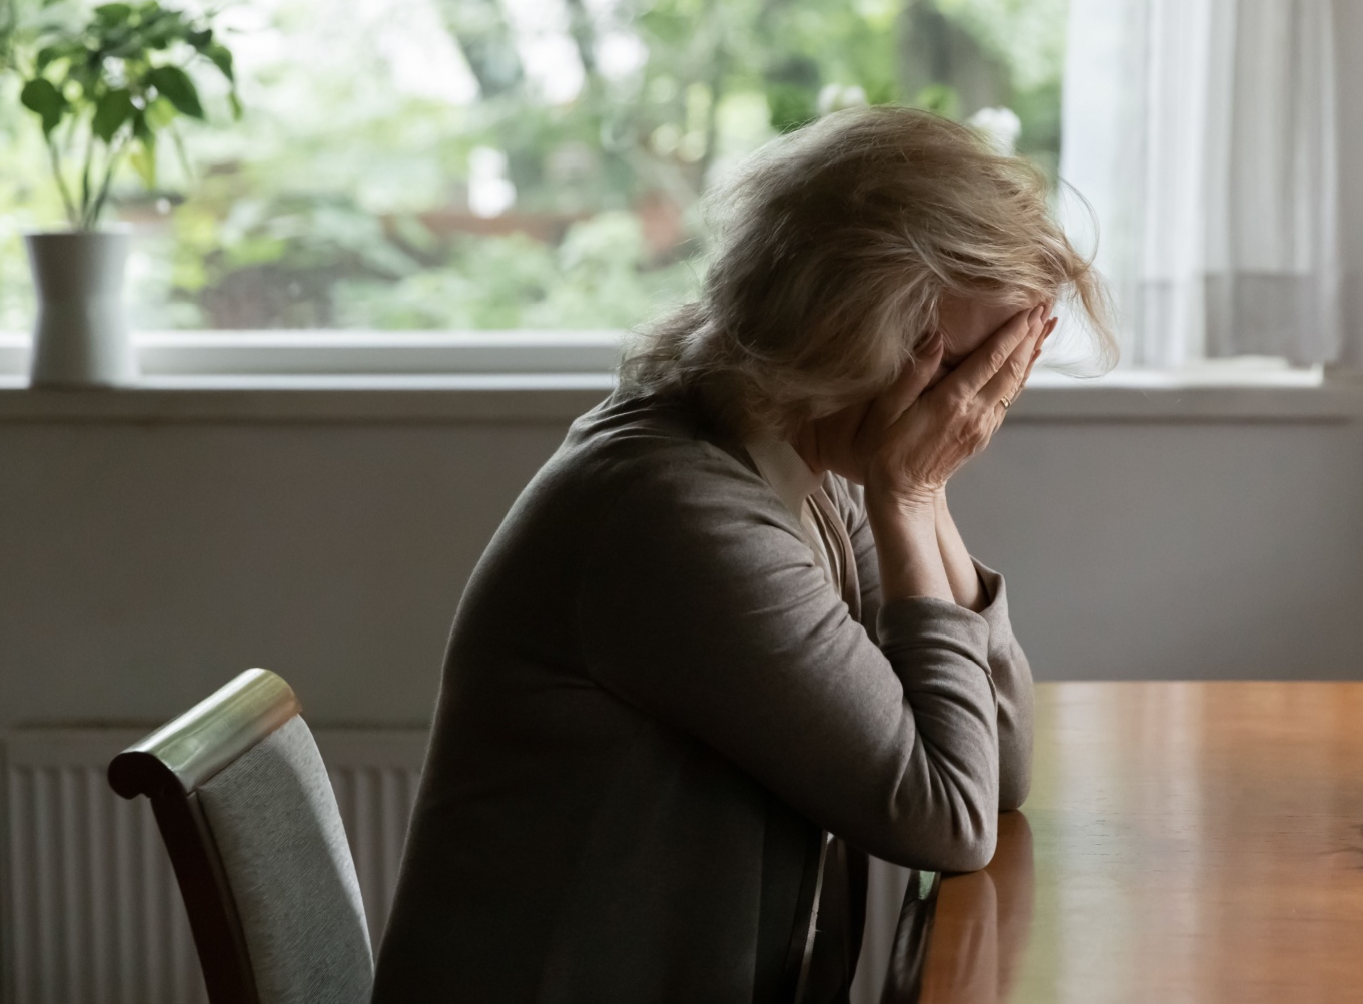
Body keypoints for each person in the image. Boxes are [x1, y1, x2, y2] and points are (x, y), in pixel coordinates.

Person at [371, 104, 1112, 1004]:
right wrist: (911, 496)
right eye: (961, 367)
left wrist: (924, 490)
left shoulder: (805, 461)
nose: (971, 409)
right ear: (847, 323)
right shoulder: (673, 512)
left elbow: (997, 773)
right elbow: (949, 818)